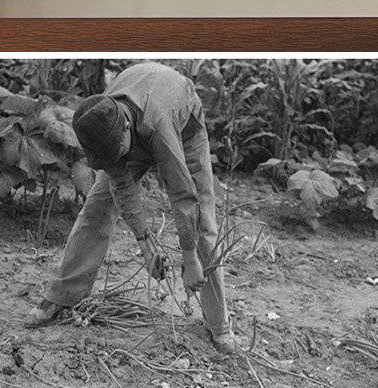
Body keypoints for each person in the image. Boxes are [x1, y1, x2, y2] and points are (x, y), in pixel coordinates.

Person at [24, 61, 239, 354]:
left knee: (203, 222)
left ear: (126, 127)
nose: (116, 163)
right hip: (133, 122)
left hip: (181, 123)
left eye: (118, 154)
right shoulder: (100, 119)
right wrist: (145, 243)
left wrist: (189, 260)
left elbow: (182, 195)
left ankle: (219, 325)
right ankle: (62, 295)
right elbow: (121, 184)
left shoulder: (160, 125)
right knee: (96, 209)